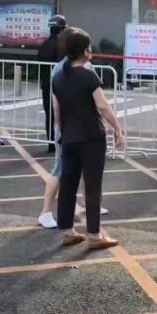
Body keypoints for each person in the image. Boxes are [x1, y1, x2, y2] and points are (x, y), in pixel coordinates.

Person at [50, 28, 123, 249]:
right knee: (92, 186)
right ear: (84, 51)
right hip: (91, 138)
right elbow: (103, 106)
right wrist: (117, 128)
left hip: (68, 138)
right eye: (89, 47)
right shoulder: (89, 75)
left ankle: (67, 231)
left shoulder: (58, 77)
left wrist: (64, 131)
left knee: (67, 185)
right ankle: (94, 235)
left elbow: (56, 112)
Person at [38, 30, 109, 229]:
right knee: (60, 169)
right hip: (73, 129)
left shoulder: (81, 68)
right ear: (82, 49)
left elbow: (61, 105)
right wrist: (61, 129)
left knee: (82, 171)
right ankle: (45, 211)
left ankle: (86, 206)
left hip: (76, 129)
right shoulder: (62, 69)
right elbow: (100, 103)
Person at [37, 14, 66, 152]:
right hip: (61, 85)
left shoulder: (44, 45)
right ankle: (63, 142)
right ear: (62, 29)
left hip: (46, 85)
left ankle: (51, 144)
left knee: (50, 115)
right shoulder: (63, 46)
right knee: (64, 114)